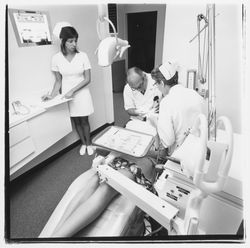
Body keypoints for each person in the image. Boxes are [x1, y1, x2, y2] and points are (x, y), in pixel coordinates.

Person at [39, 154, 155, 238]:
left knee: (106, 187)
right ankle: (53, 237)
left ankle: (55, 239)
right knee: (92, 182)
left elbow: (163, 151)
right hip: (116, 158)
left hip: (137, 164)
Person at [42, 26, 94, 156]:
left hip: (82, 92)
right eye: (70, 41)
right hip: (67, 95)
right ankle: (83, 143)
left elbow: (87, 79)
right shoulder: (56, 58)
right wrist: (51, 96)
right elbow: (58, 81)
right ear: (63, 40)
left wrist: (73, 90)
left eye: (75, 41)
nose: (74, 44)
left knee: (84, 120)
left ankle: (89, 144)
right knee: (76, 121)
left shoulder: (83, 56)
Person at [150, 62, 206, 155]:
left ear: (162, 83)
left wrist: (156, 122)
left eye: (156, 83)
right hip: (200, 152)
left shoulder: (166, 102)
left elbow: (168, 141)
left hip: (180, 156)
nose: (157, 87)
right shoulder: (196, 95)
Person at [123, 67, 162, 136]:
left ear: (144, 76)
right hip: (137, 120)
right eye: (135, 89)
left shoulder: (155, 81)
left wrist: (160, 106)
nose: (139, 90)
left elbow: (166, 99)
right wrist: (137, 112)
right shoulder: (128, 88)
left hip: (155, 120)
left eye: (140, 85)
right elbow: (129, 109)